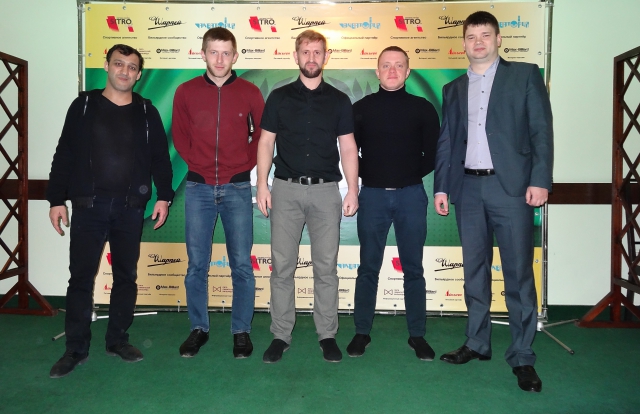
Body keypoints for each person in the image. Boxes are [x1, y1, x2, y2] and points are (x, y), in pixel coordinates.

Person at [434, 11, 553, 392]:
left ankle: (522, 355)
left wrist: (540, 180)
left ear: (499, 39)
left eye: (485, 35)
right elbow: (447, 140)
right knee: (474, 271)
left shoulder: (525, 76)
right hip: (468, 190)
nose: (479, 42)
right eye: (472, 37)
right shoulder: (453, 88)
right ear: (463, 43)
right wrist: (441, 187)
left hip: (512, 190)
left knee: (518, 274)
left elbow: (541, 131)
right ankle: (477, 342)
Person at [47, 44, 174, 378]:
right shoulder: (83, 106)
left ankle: (117, 340)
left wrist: (164, 196)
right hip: (88, 207)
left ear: (139, 74)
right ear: (106, 66)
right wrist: (56, 199)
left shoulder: (147, 112)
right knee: (80, 278)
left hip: (130, 209)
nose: (124, 71)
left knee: (126, 278)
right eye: (119, 64)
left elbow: (161, 158)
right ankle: (75, 348)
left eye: (132, 67)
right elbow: (65, 153)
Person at [256, 29, 359, 363]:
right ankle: (280, 335)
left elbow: (348, 146)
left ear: (326, 57)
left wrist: (353, 188)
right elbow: (266, 142)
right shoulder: (279, 97)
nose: (311, 58)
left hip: (327, 192)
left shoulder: (339, 100)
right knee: (282, 267)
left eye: (317, 52)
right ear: (296, 56)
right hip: (285, 189)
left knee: (326, 268)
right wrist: (262, 185)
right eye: (306, 52)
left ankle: (327, 334)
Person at [172, 27, 264, 359]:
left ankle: (241, 331)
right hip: (198, 188)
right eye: (214, 52)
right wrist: (197, 164)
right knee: (197, 265)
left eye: (226, 53)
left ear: (235, 56)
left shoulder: (250, 92)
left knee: (241, 265)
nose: (220, 59)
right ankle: (198, 328)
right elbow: (180, 135)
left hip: (237, 188)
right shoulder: (185, 91)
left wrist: (243, 166)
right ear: (203, 54)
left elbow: (263, 136)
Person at [347, 46, 440, 360]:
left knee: (413, 268)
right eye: (386, 65)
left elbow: (433, 154)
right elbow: (349, 153)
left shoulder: (423, 109)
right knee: (368, 267)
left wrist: (407, 175)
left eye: (399, 65)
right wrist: (372, 175)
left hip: (411, 195)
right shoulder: (360, 109)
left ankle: (417, 335)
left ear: (407, 71)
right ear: (377, 71)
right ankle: (362, 332)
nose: (392, 70)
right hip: (372, 196)